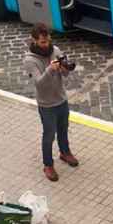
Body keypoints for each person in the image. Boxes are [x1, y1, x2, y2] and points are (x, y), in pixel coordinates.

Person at [24, 23, 77, 182]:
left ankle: (65, 152)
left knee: (63, 129)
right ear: (33, 41)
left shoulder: (55, 51)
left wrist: (64, 69)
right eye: (42, 42)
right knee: (49, 135)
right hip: (46, 105)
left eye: (47, 41)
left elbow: (66, 75)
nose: (46, 44)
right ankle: (48, 164)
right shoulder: (30, 60)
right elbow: (39, 84)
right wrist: (50, 69)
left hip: (61, 99)